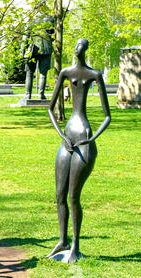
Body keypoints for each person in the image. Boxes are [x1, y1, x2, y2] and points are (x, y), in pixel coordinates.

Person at [47, 38, 111, 263]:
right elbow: (50, 109)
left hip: (83, 140)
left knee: (74, 196)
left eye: (81, 47)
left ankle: (75, 245)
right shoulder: (65, 71)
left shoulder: (95, 75)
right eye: (76, 47)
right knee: (59, 195)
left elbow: (107, 116)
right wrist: (62, 136)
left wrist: (92, 138)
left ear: (85, 51)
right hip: (67, 138)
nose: (77, 50)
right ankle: (62, 241)